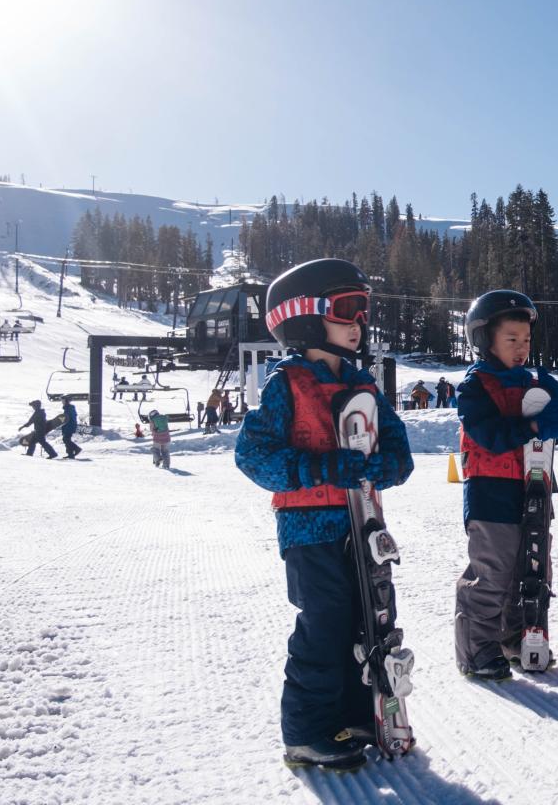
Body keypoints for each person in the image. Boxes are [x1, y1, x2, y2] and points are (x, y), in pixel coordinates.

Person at [234, 258, 413, 771]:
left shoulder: (366, 386)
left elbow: (399, 452)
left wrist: (387, 465)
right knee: (326, 621)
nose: (358, 324)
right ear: (306, 318)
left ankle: (359, 715)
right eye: (346, 311)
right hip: (309, 529)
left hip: (364, 524)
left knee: (370, 617)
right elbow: (253, 456)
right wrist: (317, 468)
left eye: (362, 313)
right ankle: (307, 732)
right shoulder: (285, 385)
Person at [453, 289, 558, 680]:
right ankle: (477, 649)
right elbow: (489, 435)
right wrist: (533, 426)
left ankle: (520, 636)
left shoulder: (533, 380)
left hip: (534, 487)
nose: (522, 348)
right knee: (493, 573)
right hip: (490, 493)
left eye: (527, 340)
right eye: (511, 339)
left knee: (532, 567)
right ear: (485, 340)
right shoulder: (475, 386)